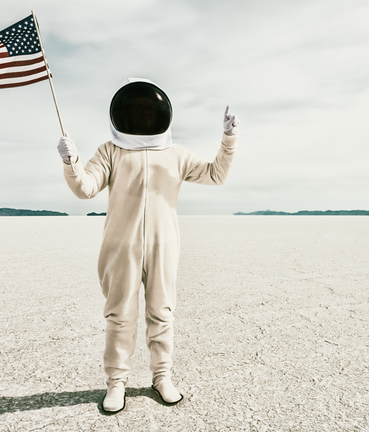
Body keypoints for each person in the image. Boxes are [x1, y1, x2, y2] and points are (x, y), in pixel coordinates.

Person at [56, 78, 239, 414]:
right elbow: (85, 188)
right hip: (119, 248)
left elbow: (215, 175)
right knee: (119, 316)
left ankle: (162, 377)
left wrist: (228, 140)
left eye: (147, 108)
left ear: (159, 113)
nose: (142, 114)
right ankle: (116, 383)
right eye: (135, 109)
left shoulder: (176, 154)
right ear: (123, 113)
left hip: (164, 247)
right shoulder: (110, 151)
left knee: (162, 313)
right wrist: (72, 164)